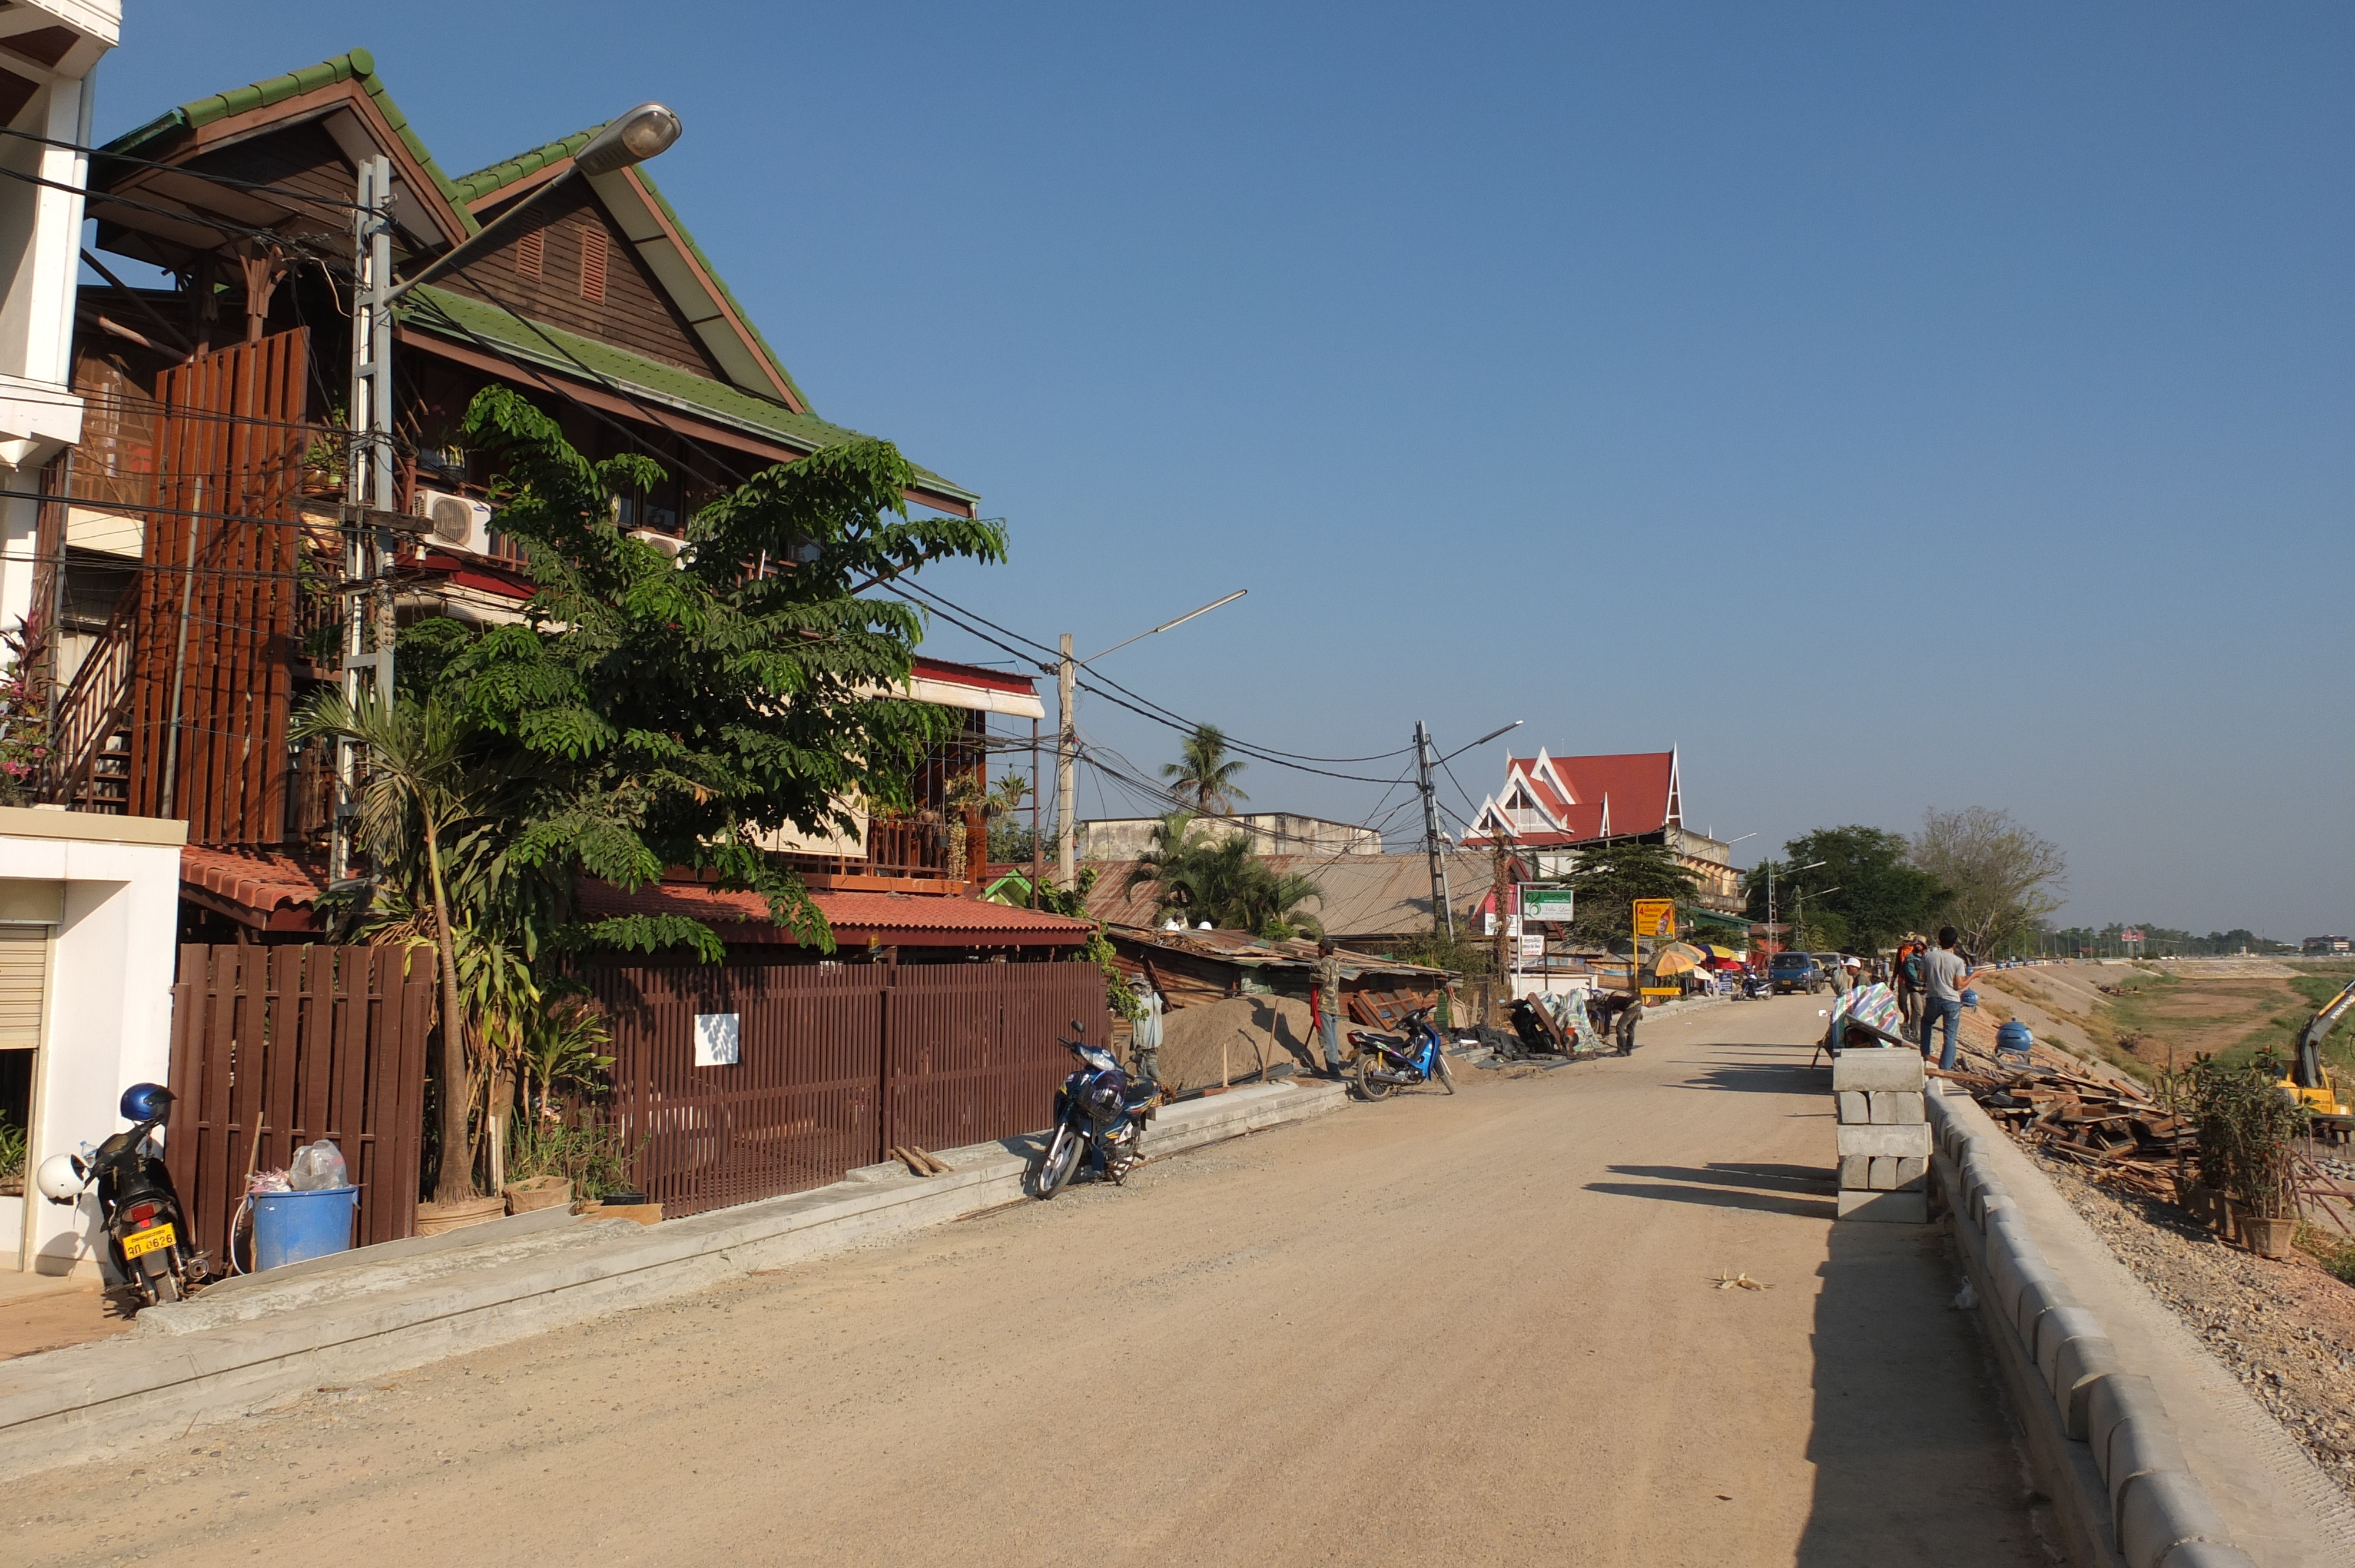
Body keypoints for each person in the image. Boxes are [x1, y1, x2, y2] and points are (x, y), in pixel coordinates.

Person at [1918, 926, 1970, 1071]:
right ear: (1955, 943)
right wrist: (1973, 977)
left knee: (1927, 1023)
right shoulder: (1958, 961)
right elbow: (1959, 985)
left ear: (1939, 940)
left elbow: (1921, 977)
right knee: (1950, 1036)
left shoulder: (1928, 956)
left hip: (1933, 998)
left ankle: (1925, 1055)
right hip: (1952, 1001)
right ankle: (1945, 1069)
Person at [1312, 937, 1345, 1078]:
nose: (1318, 951)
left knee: (1328, 1040)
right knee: (1333, 1039)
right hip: (1334, 1006)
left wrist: (1312, 975)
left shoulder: (1325, 962)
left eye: (1319, 948)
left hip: (1325, 1005)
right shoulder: (1336, 964)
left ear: (1324, 950)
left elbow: (1324, 978)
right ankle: (1335, 1069)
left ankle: (1333, 1072)